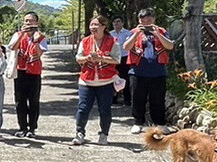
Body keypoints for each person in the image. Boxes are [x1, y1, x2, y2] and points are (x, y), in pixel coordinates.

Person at [124, 9, 173, 134]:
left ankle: (160, 123)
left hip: (158, 72)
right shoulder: (133, 32)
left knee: (157, 99)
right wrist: (136, 34)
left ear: (154, 19)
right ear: (139, 21)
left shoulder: (161, 31)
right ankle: (138, 122)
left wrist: (157, 34)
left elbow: (170, 46)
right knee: (137, 98)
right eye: (143, 20)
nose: (146, 22)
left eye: (149, 20)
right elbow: (126, 47)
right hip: (137, 71)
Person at [72, 15, 119, 145]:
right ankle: (79, 133)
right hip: (86, 80)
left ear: (104, 27)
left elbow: (117, 59)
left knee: (105, 109)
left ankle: (104, 134)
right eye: (91, 25)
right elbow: (78, 58)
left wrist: (101, 58)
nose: (93, 27)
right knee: (83, 108)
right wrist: (87, 58)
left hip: (106, 81)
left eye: (96, 25)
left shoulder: (112, 41)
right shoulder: (85, 41)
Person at [9, 11, 48, 137]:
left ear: (36, 23)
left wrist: (36, 41)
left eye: (31, 21)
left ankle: (32, 128)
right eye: (26, 21)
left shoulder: (41, 37)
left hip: (34, 71)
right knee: (20, 100)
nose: (28, 23)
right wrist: (21, 35)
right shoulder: (18, 34)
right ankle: (22, 127)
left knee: (34, 100)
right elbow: (13, 47)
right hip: (20, 70)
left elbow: (40, 53)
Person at [110, 18, 132, 106]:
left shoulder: (128, 33)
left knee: (125, 78)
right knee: (113, 78)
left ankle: (127, 99)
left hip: (124, 58)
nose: (116, 23)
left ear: (122, 23)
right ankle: (113, 99)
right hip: (113, 59)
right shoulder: (110, 34)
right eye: (114, 22)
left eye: (118, 21)